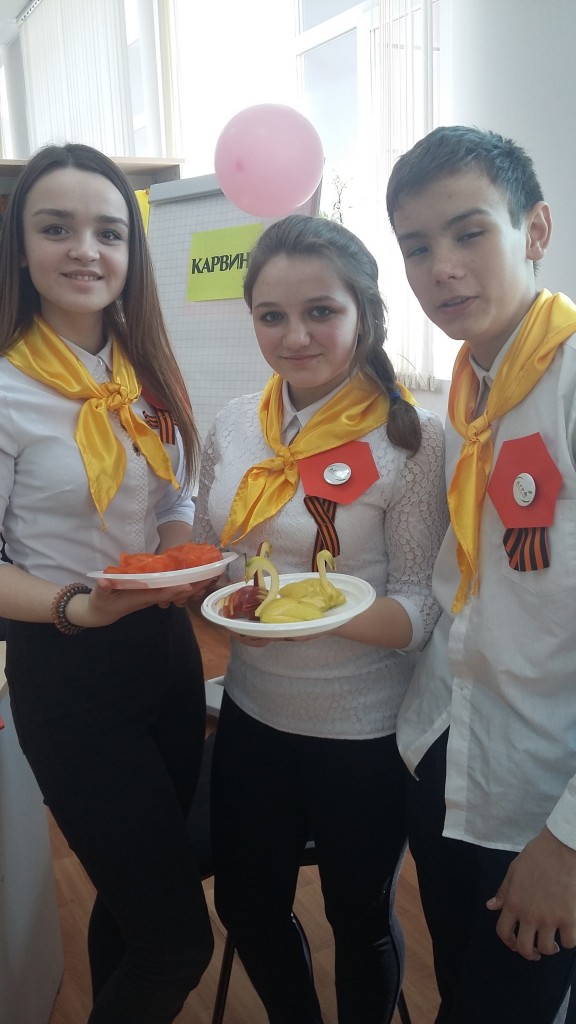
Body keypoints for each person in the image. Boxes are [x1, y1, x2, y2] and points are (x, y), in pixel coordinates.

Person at [192, 213, 448, 1024]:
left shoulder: (414, 441)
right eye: (272, 315)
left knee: (359, 917)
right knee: (246, 904)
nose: (294, 336)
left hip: (364, 729)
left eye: (320, 312)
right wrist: (189, 578)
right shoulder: (237, 424)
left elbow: (420, 607)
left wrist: (307, 608)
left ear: (364, 313)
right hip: (252, 710)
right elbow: (212, 550)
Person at [0, 143, 214, 1024]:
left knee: (135, 909)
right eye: (57, 228)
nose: (86, 250)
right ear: (21, 248)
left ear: (133, 251)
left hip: (165, 655)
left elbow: (174, 496)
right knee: (179, 942)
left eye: (109, 232)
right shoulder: (7, 386)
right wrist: (78, 607)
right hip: (67, 670)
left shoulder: (142, 371)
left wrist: (176, 557)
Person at [385, 124, 576, 1024]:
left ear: (534, 230)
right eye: (417, 248)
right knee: (459, 989)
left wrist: (568, 844)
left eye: (469, 233)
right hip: (448, 752)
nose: (442, 269)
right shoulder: (469, 392)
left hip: (541, 798)